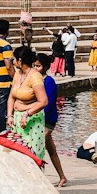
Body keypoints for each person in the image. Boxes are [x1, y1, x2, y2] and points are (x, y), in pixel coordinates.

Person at [5, 46, 48, 161]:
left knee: (32, 155)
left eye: (14, 59)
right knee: (17, 154)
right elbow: (11, 96)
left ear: (20, 61)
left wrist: (27, 114)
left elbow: (43, 101)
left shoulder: (35, 77)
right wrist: (9, 115)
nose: (13, 62)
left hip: (32, 120)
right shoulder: (18, 74)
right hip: (17, 120)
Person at [34, 51, 67, 186]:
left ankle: (37, 179)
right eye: (34, 66)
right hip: (37, 117)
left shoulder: (49, 82)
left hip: (48, 119)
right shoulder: (36, 81)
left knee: (37, 146)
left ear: (46, 67)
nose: (35, 68)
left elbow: (48, 103)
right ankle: (62, 176)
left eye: (38, 66)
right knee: (51, 150)